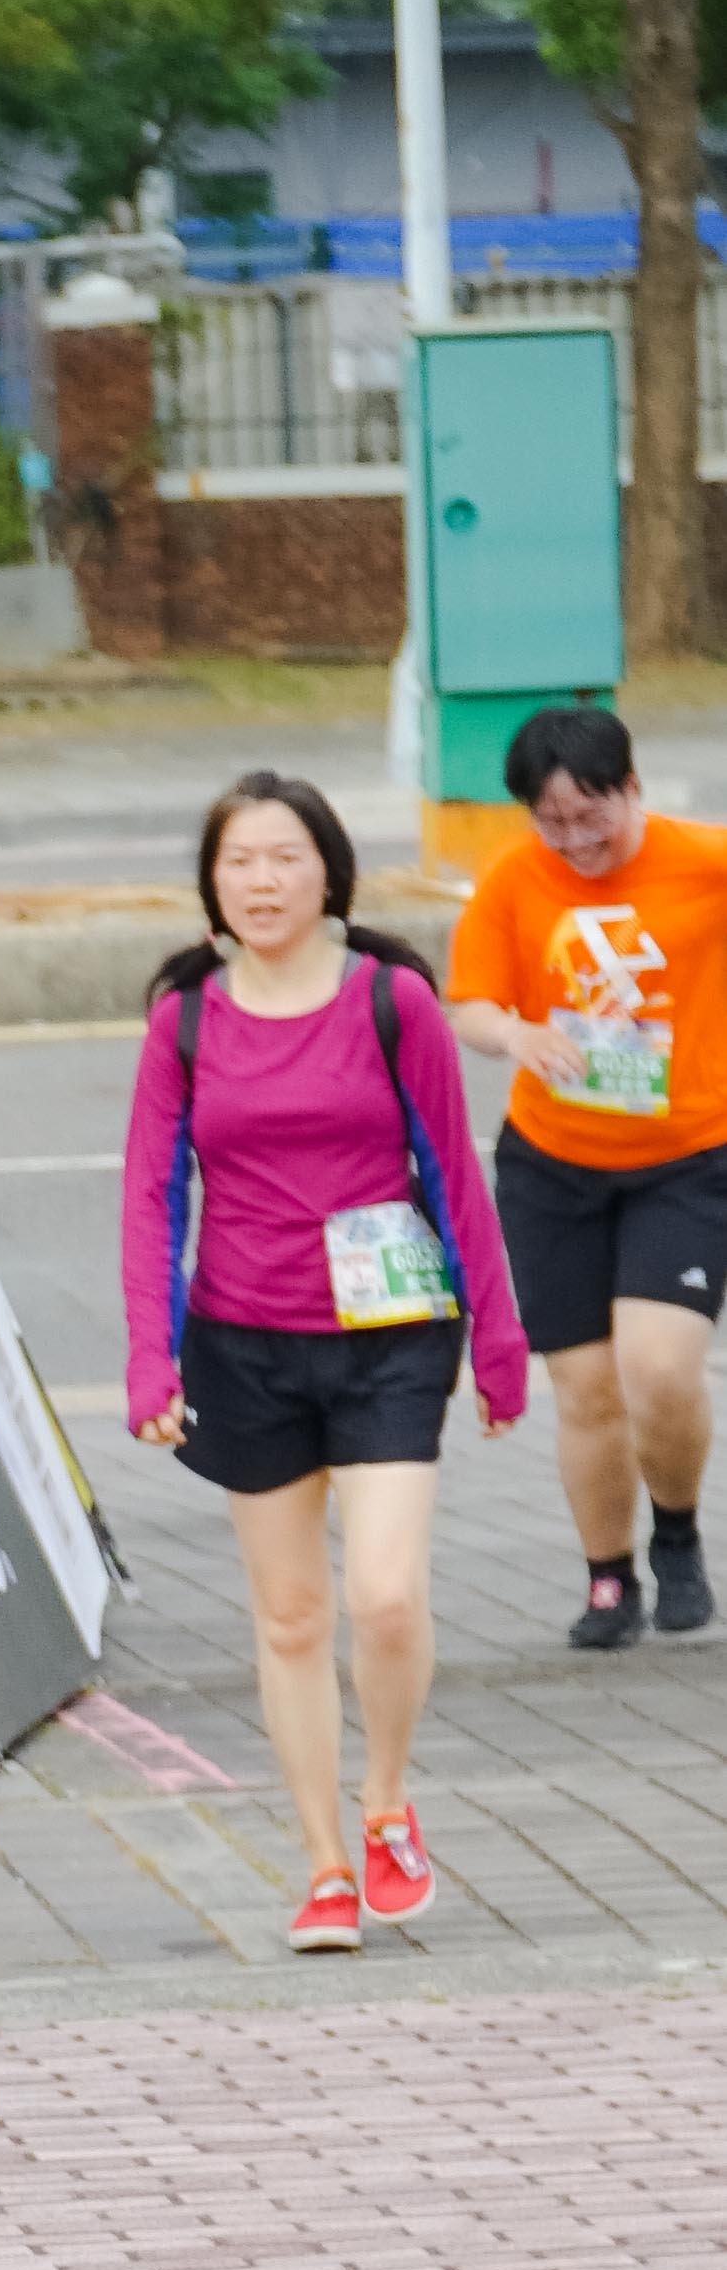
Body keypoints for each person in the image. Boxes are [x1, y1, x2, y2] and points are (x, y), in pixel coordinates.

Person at [121, 772, 526, 1954]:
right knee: (291, 1616)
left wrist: (498, 1340)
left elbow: (452, 1169)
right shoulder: (182, 1020)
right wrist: (150, 1361)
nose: (261, 882)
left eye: (284, 858)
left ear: (328, 873)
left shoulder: (393, 1001)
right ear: (212, 883)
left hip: (391, 1336)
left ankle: (385, 1799)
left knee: (384, 1596)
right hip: (243, 1343)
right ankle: (323, 1864)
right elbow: (150, 1194)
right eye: (238, 861)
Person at [447, 702, 727, 1648]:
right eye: (551, 821)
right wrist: (516, 1033)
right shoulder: (513, 879)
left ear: (632, 788)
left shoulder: (705, 862)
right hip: (553, 1164)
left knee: (659, 1367)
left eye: (591, 816)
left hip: (687, 1159)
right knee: (586, 1386)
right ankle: (609, 1578)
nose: (574, 841)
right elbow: (471, 1004)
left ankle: (677, 1533)